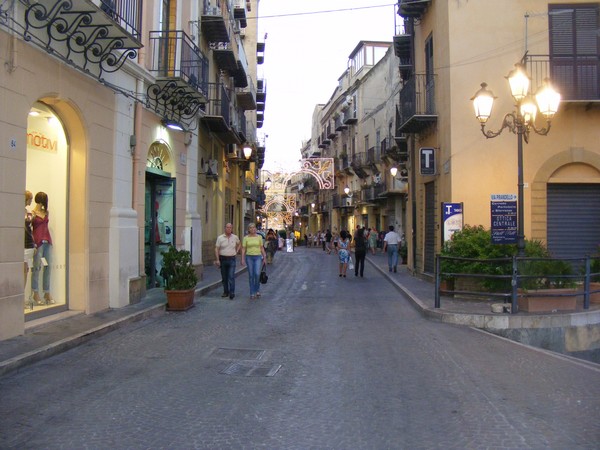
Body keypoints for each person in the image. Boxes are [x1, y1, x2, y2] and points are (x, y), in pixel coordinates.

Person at [31, 192, 54, 305]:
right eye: (43, 201)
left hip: (47, 240)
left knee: (48, 266)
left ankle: (46, 292)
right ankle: (35, 292)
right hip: (38, 241)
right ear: (40, 201)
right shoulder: (33, 213)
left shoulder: (46, 212)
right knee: (37, 267)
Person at [215, 223, 240, 300]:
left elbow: (239, 244)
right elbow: (216, 248)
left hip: (232, 259)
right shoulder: (220, 238)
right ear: (225, 228)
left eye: (230, 227)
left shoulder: (235, 237)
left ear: (232, 229)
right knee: (224, 277)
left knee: (231, 276)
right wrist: (217, 259)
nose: (229, 229)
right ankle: (226, 292)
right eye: (227, 227)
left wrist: (236, 251)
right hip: (223, 259)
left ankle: (232, 292)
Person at [241, 223, 266, 300]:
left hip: (258, 257)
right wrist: (242, 259)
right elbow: (243, 249)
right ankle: (252, 292)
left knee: (257, 274)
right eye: (251, 228)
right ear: (249, 229)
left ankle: (257, 289)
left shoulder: (259, 237)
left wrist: (264, 257)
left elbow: (261, 248)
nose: (252, 229)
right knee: (251, 275)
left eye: (254, 227)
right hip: (249, 257)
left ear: (255, 229)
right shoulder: (246, 238)